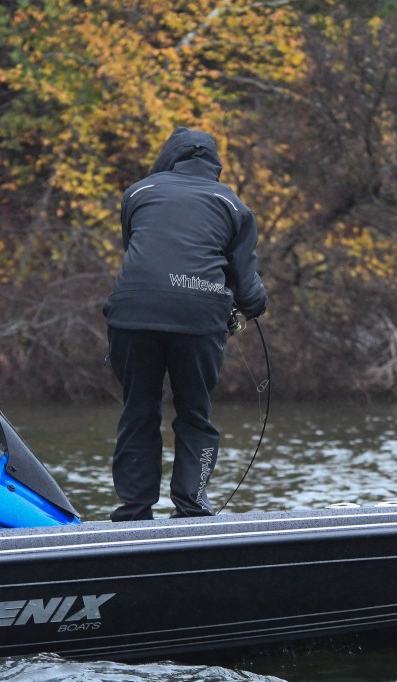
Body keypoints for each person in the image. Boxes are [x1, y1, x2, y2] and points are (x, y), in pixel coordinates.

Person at [103, 127, 267, 522]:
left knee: (139, 408)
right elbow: (247, 286)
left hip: (132, 313)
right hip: (198, 316)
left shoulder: (137, 193)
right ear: (214, 164)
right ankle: (192, 505)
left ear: (168, 157)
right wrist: (251, 308)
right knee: (194, 413)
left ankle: (134, 510)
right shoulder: (233, 205)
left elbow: (139, 252)